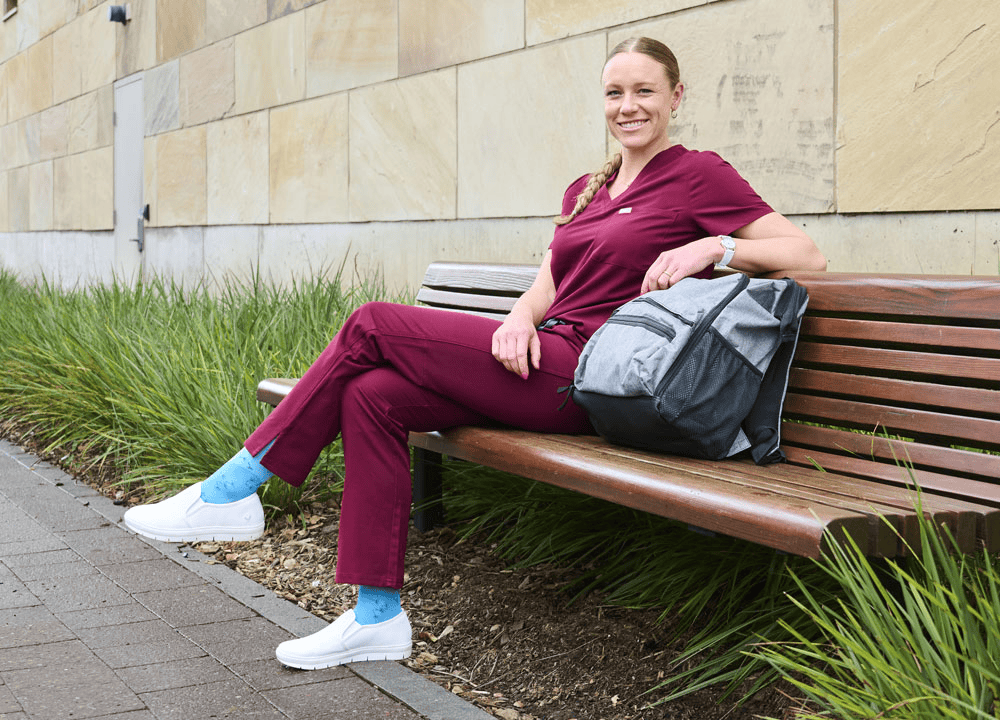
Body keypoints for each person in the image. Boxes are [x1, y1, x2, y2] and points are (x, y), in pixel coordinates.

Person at [122, 36, 827, 671]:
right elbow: (551, 281)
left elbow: (808, 255)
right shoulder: (586, 189)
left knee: (371, 322)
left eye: (645, 91)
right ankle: (376, 619)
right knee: (372, 397)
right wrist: (519, 317)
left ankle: (233, 491)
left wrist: (716, 245)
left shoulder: (698, 175)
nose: (629, 105)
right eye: (615, 92)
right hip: (543, 357)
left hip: (596, 378)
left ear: (676, 97)